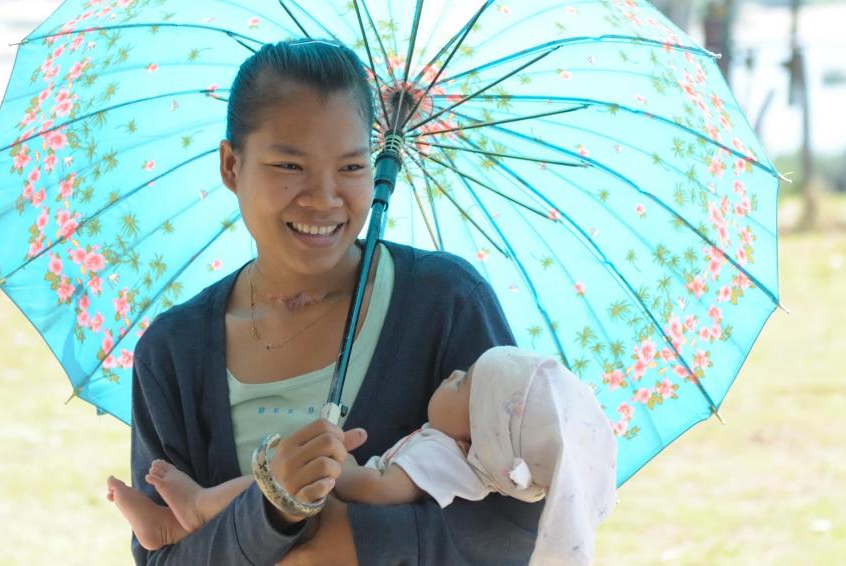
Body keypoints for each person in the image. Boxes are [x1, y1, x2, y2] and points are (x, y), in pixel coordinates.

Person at [107, 38, 544, 564]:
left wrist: (350, 545)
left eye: (352, 167)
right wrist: (274, 513)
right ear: (230, 166)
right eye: (290, 167)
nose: (324, 197)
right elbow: (165, 554)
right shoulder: (173, 350)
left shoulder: (445, 303)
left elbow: (521, 522)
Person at [113, 346, 618, 564]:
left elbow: (383, 489)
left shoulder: (445, 459)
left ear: (474, 432)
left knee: (281, 472)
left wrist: (342, 467)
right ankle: (177, 524)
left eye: (462, 383)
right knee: (285, 470)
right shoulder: (451, 447)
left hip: (337, 516)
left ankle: (193, 513)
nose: (451, 376)